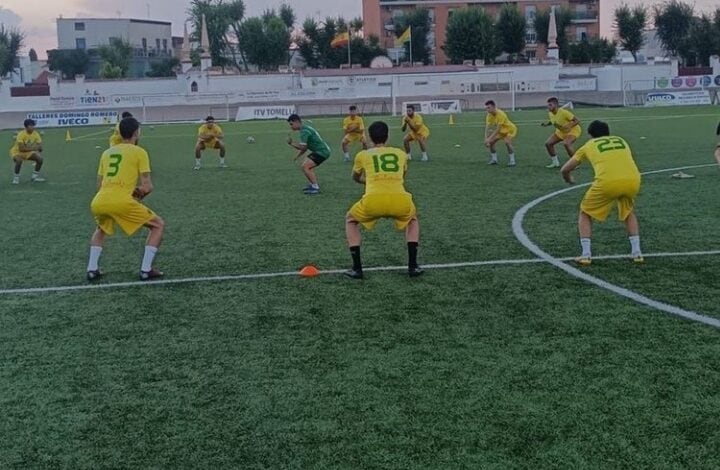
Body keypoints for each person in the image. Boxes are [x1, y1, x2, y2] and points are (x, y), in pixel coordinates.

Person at [86, 117, 165, 281]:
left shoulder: (106, 153)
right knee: (157, 225)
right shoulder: (139, 152)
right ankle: (146, 269)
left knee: (101, 229)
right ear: (137, 132)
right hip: (121, 201)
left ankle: (92, 269)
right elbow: (147, 186)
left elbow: (99, 184)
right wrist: (139, 192)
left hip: (99, 201)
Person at [344, 120, 423, 279]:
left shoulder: (362, 155)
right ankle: (413, 266)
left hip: (373, 201)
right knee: (413, 219)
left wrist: (369, 181)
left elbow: (355, 177)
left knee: (350, 220)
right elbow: (401, 176)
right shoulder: (400, 154)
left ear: (370, 138)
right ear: (387, 137)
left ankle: (357, 268)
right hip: (400, 200)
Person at [560, 120, 643, 266]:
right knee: (628, 211)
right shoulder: (621, 140)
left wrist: (569, 179)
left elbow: (565, 169)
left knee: (585, 212)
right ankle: (637, 253)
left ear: (591, 135)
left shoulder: (589, 145)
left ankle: (586, 254)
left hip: (607, 182)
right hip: (633, 180)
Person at [287, 114, 331, 195]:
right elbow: (306, 147)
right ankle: (313, 185)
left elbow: (303, 147)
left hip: (322, 151)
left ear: (297, 122)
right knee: (306, 166)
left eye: (291, 124)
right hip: (321, 151)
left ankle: (315, 187)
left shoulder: (304, 131)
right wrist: (297, 156)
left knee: (305, 166)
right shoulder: (305, 128)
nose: (291, 126)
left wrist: (291, 143)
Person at [541, 97, 581, 168]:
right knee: (548, 144)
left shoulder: (564, 112)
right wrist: (546, 124)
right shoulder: (550, 113)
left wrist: (569, 126)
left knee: (566, 143)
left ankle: (575, 163)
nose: (548, 107)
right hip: (561, 132)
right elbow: (553, 121)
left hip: (573, 131)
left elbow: (577, 120)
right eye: (548, 105)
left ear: (556, 105)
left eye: (550, 105)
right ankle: (555, 163)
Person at [9, 118, 46, 184]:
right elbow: (21, 149)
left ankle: (34, 177)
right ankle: (16, 178)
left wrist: (40, 148)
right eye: (31, 126)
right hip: (17, 152)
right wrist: (35, 148)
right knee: (19, 160)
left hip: (27, 152)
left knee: (40, 159)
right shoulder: (21, 134)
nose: (33, 127)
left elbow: (39, 145)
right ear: (26, 127)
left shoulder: (35, 134)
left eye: (33, 125)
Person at [484, 100, 517, 166]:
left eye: (489, 108)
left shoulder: (500, 114)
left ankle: (512, 161)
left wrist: (489, 138)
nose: (487, 110)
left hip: (509, 130)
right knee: (491, 142)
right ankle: (494, 160)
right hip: (501, 131)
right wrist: (486, 139)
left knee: (507, 142)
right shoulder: (489, 115)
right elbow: (487, 127)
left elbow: (498, 129)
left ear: (494, 107)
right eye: (486, 108)